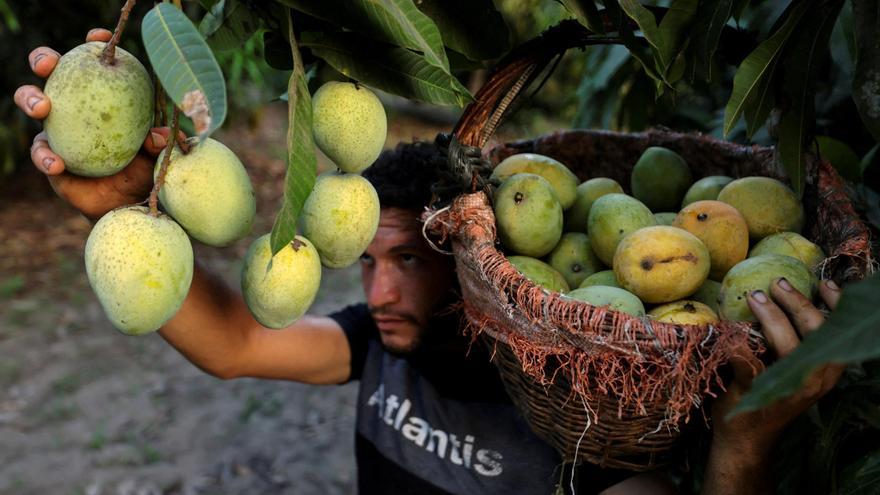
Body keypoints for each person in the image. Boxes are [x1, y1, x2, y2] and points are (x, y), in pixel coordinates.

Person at [15, 28, 846, 495]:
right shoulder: (377, 345)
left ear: (472, 262)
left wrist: (742, 448)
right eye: (368, 261)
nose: (377, 291)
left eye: (407, 259)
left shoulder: (576, 407)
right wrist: (121, 205)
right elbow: (234, 345)